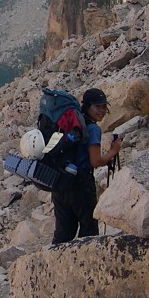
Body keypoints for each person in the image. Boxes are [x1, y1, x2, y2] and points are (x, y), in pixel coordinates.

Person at [51, 88, 123, 245]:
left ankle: (53, 263)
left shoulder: (72, 122)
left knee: (63, 233)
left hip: (60, 184)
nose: (102, 111)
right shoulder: (92, 128)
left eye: (104, 106)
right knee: (88, 231)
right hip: (81, 186)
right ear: (88, 106)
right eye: (98, 107)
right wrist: (113, 151)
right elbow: (96, 161)